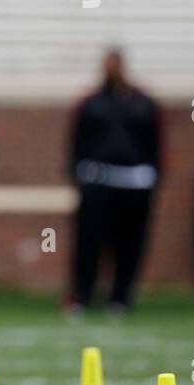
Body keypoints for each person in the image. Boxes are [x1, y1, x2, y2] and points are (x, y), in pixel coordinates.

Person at [64, 48, 163, 320]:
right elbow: (77, 143)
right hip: (98, 184)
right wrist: (77, 174)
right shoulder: (91, 103)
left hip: (133, 186)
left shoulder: (143, 104)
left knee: (129, 244)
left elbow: (155, 145)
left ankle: (120, 298)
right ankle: (81, 297)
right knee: (88, 243)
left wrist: (152, 177)